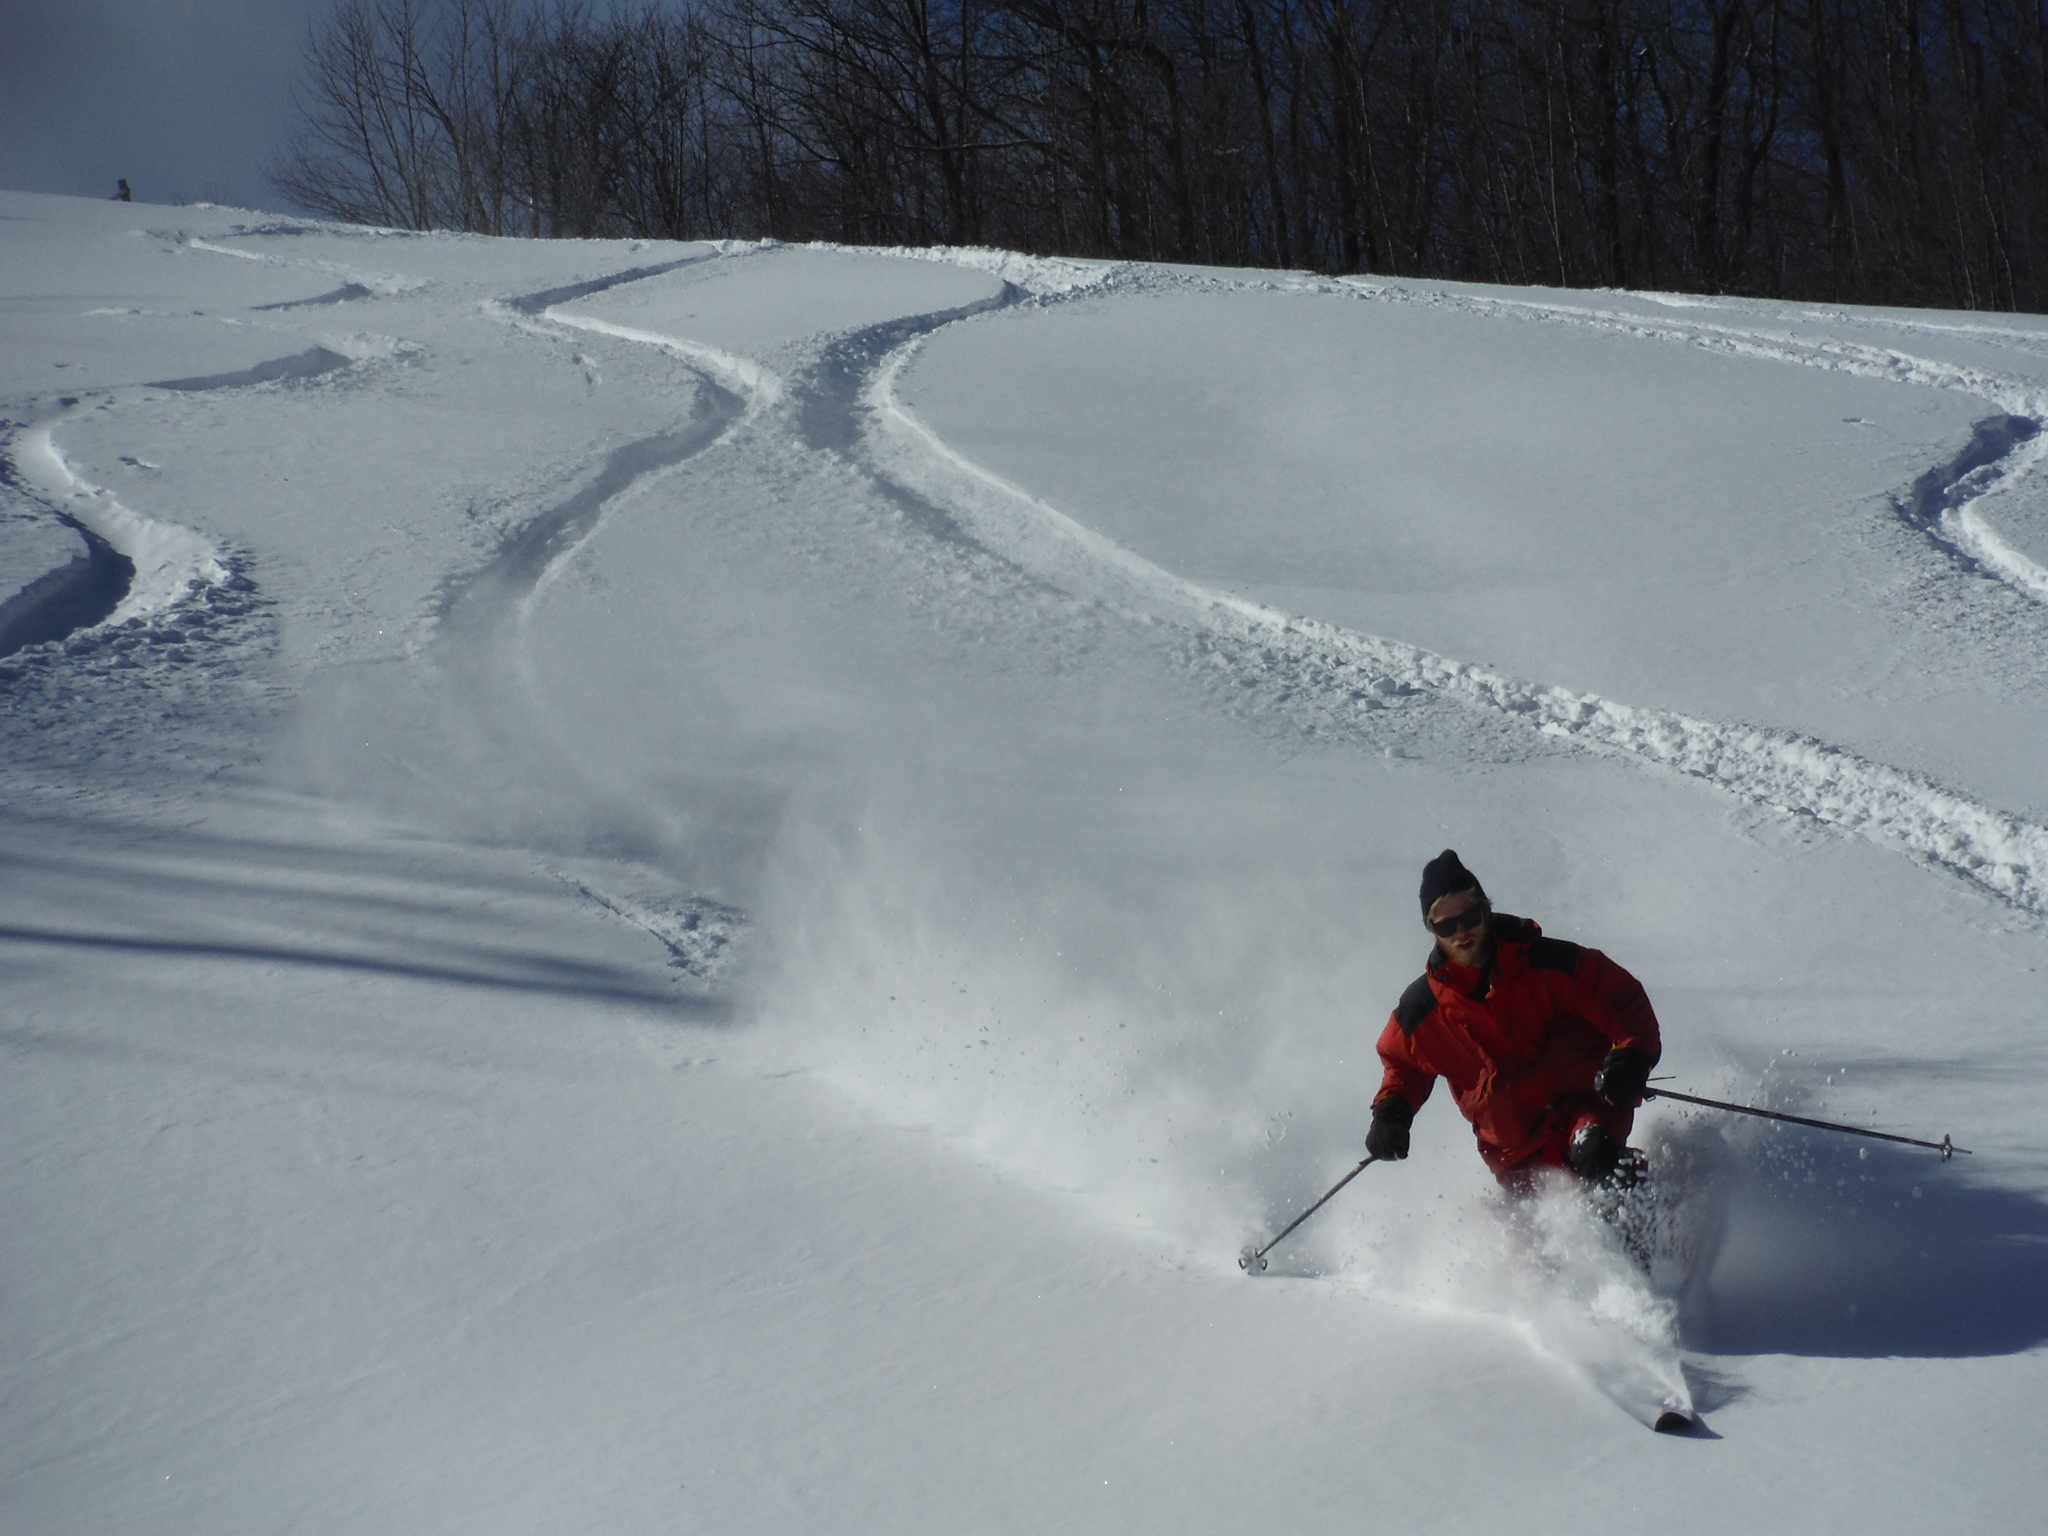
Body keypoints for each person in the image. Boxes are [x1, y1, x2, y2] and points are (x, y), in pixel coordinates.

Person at [1364, 850, 1661, 1188]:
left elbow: (1620, 999)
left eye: (1470, 917)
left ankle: (1666, 1228)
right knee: (1543, 1229)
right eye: (1446, 925)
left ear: (1485, 911)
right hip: (1514, 1150)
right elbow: (1402, 1065)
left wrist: (1631, 1059)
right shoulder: (1423, 1009)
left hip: (1584, 1108)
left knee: (1601, 1161)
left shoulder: (1547, 962)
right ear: (1432, 931)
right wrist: (1391, 1114)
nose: (1461, 932)